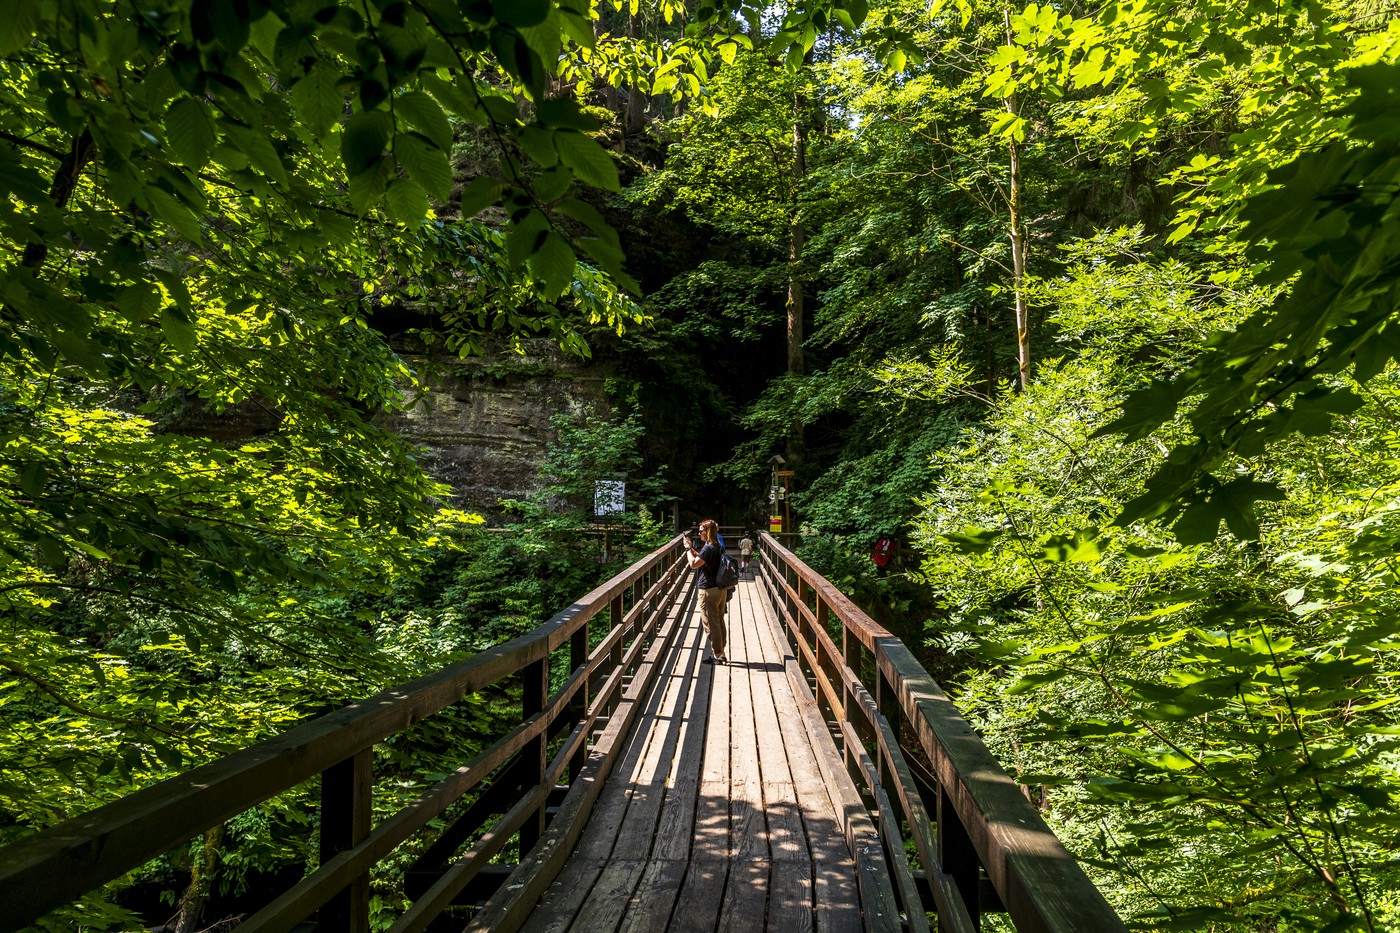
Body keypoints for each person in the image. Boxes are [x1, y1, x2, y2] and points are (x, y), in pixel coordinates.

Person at [684, 518, 727, 664]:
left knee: (710, 623)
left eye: (701, 530)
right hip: (720, 589)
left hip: (708, 590)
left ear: (708, 531)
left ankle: (718, 655)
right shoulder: (717, 545)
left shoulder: (708, 548)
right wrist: (692, 549)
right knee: (719, 620)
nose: (699, 532)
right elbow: (704, 559)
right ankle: (721, 651)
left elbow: (694, 564)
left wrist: (686, 550)